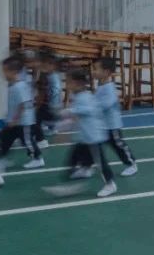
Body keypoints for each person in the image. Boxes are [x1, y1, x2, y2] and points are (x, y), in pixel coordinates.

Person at [42, 68, 117, 198]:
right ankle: (72, 180)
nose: (67, 85)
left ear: (78, 83)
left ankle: (110, 184)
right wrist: (61, 128)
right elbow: (75, 118)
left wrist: (68, 111)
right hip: (83, 138)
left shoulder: (86, 97)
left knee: (101, 163)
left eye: (69, 82)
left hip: (94, 138)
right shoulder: (76, 96)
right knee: (72, 159)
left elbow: (87, 110)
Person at [0, 56, 42, 170]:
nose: (3, 74)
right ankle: (2, 158)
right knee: (5, 137)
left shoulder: (20, 86)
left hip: (23, 121)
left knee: (27, 140)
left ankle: (37, 159)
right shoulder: (13, 86)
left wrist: (15, 120)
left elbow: (23, 105)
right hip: (14, 121)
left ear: (14, 72)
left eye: (5, 71)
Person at [95, 57, 137, 177]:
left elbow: (105, 104)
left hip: (112, 126)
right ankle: (85, 165)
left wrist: (92, 107)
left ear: (106, 72)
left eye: (96, 69)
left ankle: (131, 163)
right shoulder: (100, 85)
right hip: (102, 125)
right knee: (93, 145)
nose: (93, 71)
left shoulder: (109, 88)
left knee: (118, 145)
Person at [32, 49, 63, 151]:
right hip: (52, 106)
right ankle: (49, 129)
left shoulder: (51, 77)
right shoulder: (51, 75)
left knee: (34, 118)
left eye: (45, 64)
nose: (42, 65)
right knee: (36, 118)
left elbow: (52, 92)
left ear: (52, 65)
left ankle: (41, 140)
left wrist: (41, 102)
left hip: (51, 107)